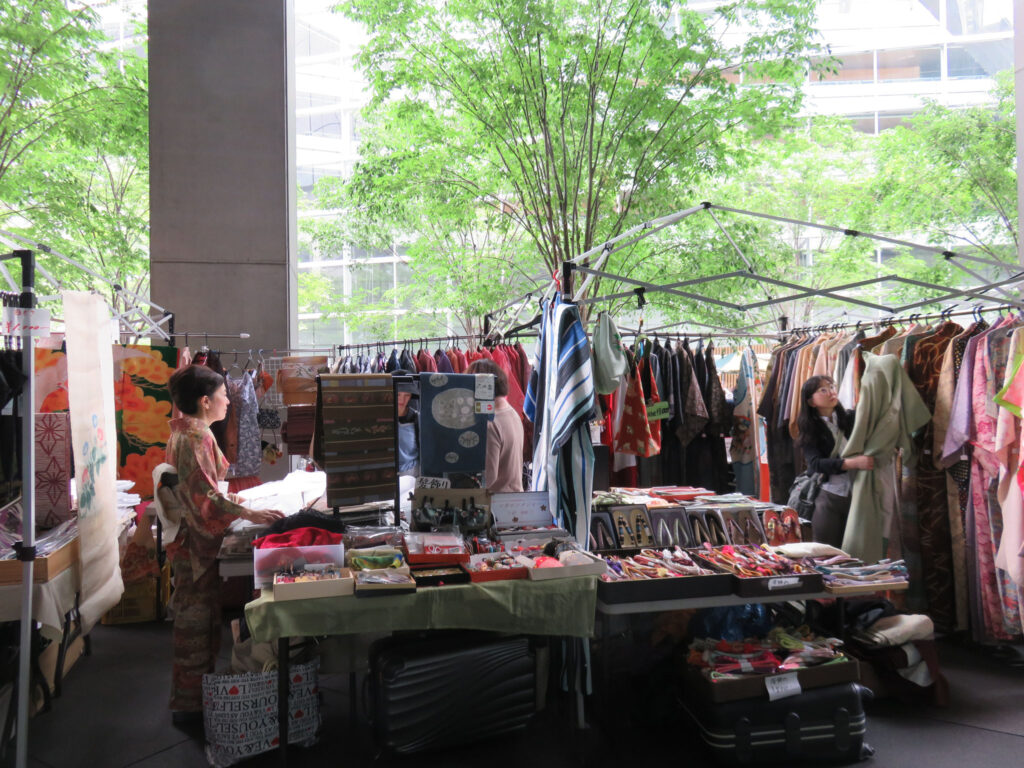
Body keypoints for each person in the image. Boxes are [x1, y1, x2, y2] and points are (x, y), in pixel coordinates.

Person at [165, 364, 284, 724]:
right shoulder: (195, 437)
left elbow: (208, 490)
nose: (228, 403)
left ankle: (195, 701)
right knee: (196, 626)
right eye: (222, 397)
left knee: (201, 622)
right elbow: (206, 497)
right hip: (194, 547)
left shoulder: (187, 432)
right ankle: (189, 708)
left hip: (193, 541)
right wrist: (253, 513)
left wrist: (243, 504)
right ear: (205, 401)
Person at [796, 374, 874, 547]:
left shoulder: (851, 418)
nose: (830, 392)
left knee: (855, 550)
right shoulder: (810, 427)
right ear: (811, 401)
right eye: (823, 390)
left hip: (859, 493)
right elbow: (815, 464)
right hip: (830, 494)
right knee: (826, 549)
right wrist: (851, 464)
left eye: (831, 387)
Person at [466, 358, 524, 492]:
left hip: (498, 505)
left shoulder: (490, 424)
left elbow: (487, 479)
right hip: (515, 497)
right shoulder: (511, 412)